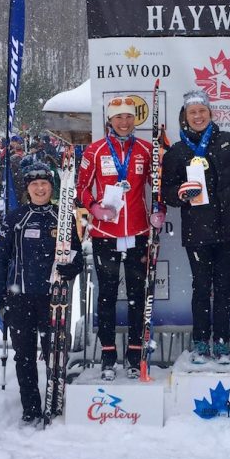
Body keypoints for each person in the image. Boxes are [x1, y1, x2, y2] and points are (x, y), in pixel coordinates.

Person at [76, 96, 162, 381]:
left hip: (138, 233)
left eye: (128, 117)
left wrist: (158, 211)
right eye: (118, 118)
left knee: (138, 296)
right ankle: (108, 356)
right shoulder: (96, 150)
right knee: (108, 296)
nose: (124, 122)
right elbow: (81, 188)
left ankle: (135, 355)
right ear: (109, 121)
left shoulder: (146, 150)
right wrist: (94, 207)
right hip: (105, 234)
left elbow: (158, 185)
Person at [0, 163, 84, 425]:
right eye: (34, 184)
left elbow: (76, 256)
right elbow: (1, 260)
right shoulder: (15, 218)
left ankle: (56, 401)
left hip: (51, 299)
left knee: (54, 353)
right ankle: (30, 407)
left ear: (52, 187)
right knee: (23, 355)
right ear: (28, 189)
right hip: (20, 297)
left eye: (44, 183)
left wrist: (71, 268)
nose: (40, 188)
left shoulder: (62, 217)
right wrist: (2, 299)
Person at [161, 90, 230, 364]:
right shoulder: (177, 151)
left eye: (202, 111)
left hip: (229, 230)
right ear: (184, 117)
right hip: (197, 231)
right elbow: (167, 192)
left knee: (222, 289)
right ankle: (200, 343)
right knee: (201, 287)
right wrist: (179, 193)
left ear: (211, 113)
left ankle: (221, 344)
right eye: (192, 113)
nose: (198, 116)